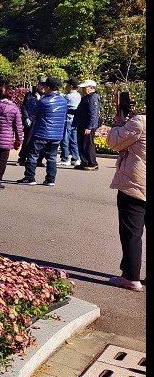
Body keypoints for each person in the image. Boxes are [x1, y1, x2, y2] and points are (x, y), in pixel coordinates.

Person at [105, 98, 145, 291]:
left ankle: (131, 277)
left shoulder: (139, 123)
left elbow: (113, 142)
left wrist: (119, 124)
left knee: (131, 233)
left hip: (136, 184)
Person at [16, 76, 67, 186]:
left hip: (42, 133)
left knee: (33, 155)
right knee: (52, 158)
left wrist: (35, 101)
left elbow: (33, 113)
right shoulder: (63, 101)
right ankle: (50, 179)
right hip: (57, 134)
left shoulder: (44, 101)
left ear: (48, 87)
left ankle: (29, 177)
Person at [74, 79, 102, 171]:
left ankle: (92, 163)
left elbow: (93, 114)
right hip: (82, 124)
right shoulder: (87, 97)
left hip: (87, 126)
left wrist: (89, 127)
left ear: (91, 88)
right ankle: (85, 162)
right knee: (82, 144)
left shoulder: (93, 97)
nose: (83, 89)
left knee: (88, 145)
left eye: (85, 87)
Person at [17, 82, 41, 166]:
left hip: (40, 121)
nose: (42, 87)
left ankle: (38, 160)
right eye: (41, 85)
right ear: (38, 85)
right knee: (27, 140)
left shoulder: (46, 95)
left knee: (39, 141)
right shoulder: (30, 94)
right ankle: (22, 158)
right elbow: (24, 106)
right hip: (30, 120)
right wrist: (26, 117)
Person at [59, 78, 81, 166]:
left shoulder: (68, 97)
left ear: (71, 86)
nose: (65, 86)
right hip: (75, 120)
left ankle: (65, 158)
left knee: (64, 138)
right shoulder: (78, 95)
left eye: (67, 85)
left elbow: (63, 105)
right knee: (74, 139)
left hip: (67, 119)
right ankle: (76, 158)